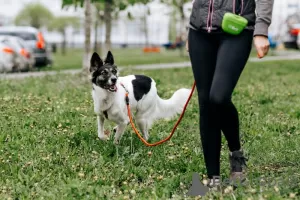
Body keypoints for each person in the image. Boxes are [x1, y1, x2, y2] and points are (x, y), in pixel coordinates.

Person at [186, 0, 274, 188]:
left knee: (218, 97)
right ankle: (213, 178)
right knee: (206, 103)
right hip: (199, 31)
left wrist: (261, 29)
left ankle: (236, 153)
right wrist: (193, 25)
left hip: (237, 28)